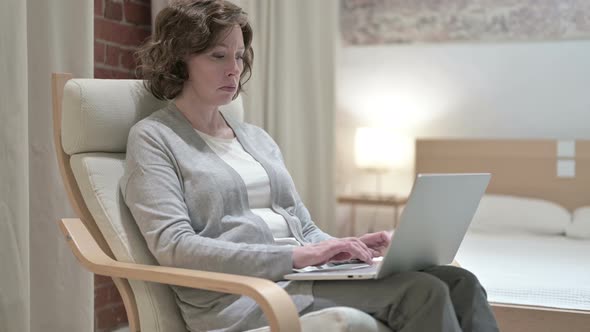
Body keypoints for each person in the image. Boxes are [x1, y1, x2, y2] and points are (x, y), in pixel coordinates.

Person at [121, 0, 499, 331]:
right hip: (243, 296)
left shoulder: (256, 138)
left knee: (459, 282)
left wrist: (341, 247)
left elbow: (301, 227)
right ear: (179, 60)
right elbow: (173, 246)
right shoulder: (154, 139)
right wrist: (297, 256)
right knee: (423, 293)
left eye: (238, 56)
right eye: (218, 56)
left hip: (300, 276)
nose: (234, 69)